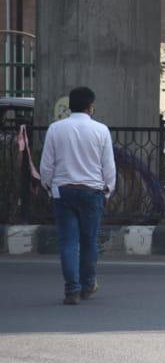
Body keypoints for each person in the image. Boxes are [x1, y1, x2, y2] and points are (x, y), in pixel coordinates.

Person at [38, 86, 116, 306]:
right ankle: (88, 284)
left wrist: (48, 187)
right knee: (89, 241)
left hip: (63, 192)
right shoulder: (101, 130)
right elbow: (108, 167)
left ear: (70, 106)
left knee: (68, 242)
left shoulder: (55, 129)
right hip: (92, 192)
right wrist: (108, 190)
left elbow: (46, 166)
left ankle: (72, 290)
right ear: (91, 107)